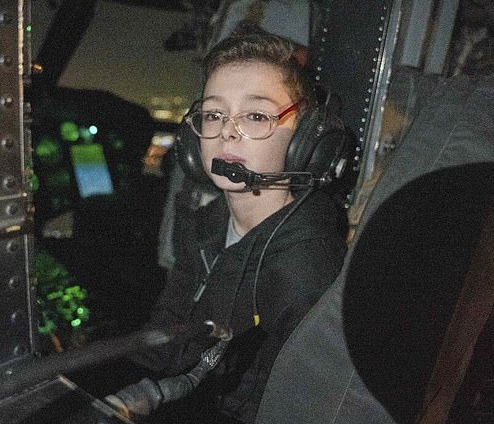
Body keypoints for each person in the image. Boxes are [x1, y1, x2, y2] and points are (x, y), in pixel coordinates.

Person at [104, 29, 349, 424]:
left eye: (255, 115)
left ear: (305, 139)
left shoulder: (305, 268)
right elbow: (167, 326)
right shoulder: (207, 222)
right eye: (214, 114)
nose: (227, 130)